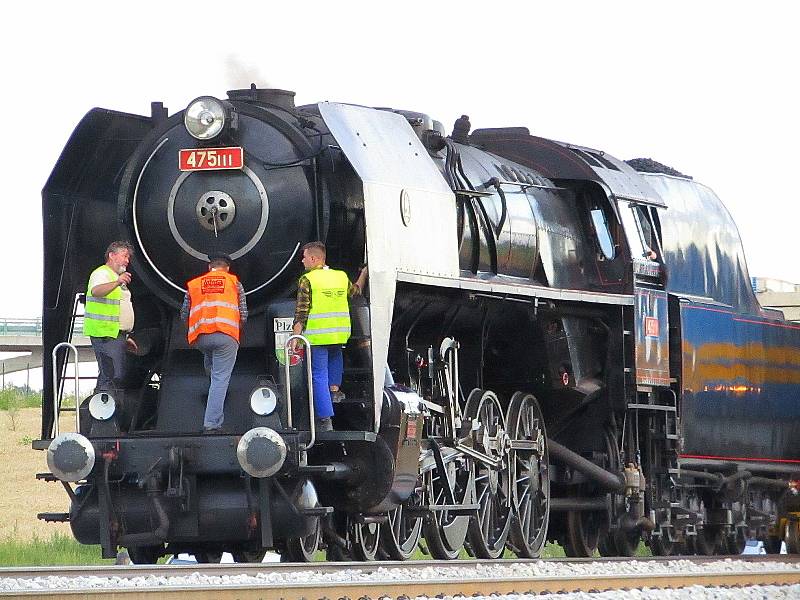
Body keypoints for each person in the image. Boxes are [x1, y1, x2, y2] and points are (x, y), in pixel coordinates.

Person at [290, 241, 367, 432]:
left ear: (314, 258)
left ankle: (325, 420)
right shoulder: (340, 277)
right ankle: (334, 391)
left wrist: (295, 338)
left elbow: (302, 312)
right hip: (339, 334)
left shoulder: (307, 280)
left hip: (317, 337)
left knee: (318, 376)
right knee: (333, 367)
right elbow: (356, 291)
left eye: (305, 256)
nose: (302, 260)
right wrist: (363, 274)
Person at [180, 253, 247, 433]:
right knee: (220, 379)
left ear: (209, 267)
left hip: (202, 337)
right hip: (226, 336)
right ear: (227, 268)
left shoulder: (194, 284)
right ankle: (212, 424)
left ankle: (212, 395)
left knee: (212, 370)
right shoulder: (234, 283)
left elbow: (184, 313)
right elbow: (244, 313)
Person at [84, 241, 135, 392]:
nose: (127, 260)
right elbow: (96, 291)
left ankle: (107, 406)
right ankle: (103, 408)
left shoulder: (114, 277)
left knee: (115, 375)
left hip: (114, 333)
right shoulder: (102, 273)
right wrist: (117, 282)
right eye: (124, 256)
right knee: (111, 375)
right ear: (112, 255)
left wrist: (124, 335)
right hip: (104, 333)